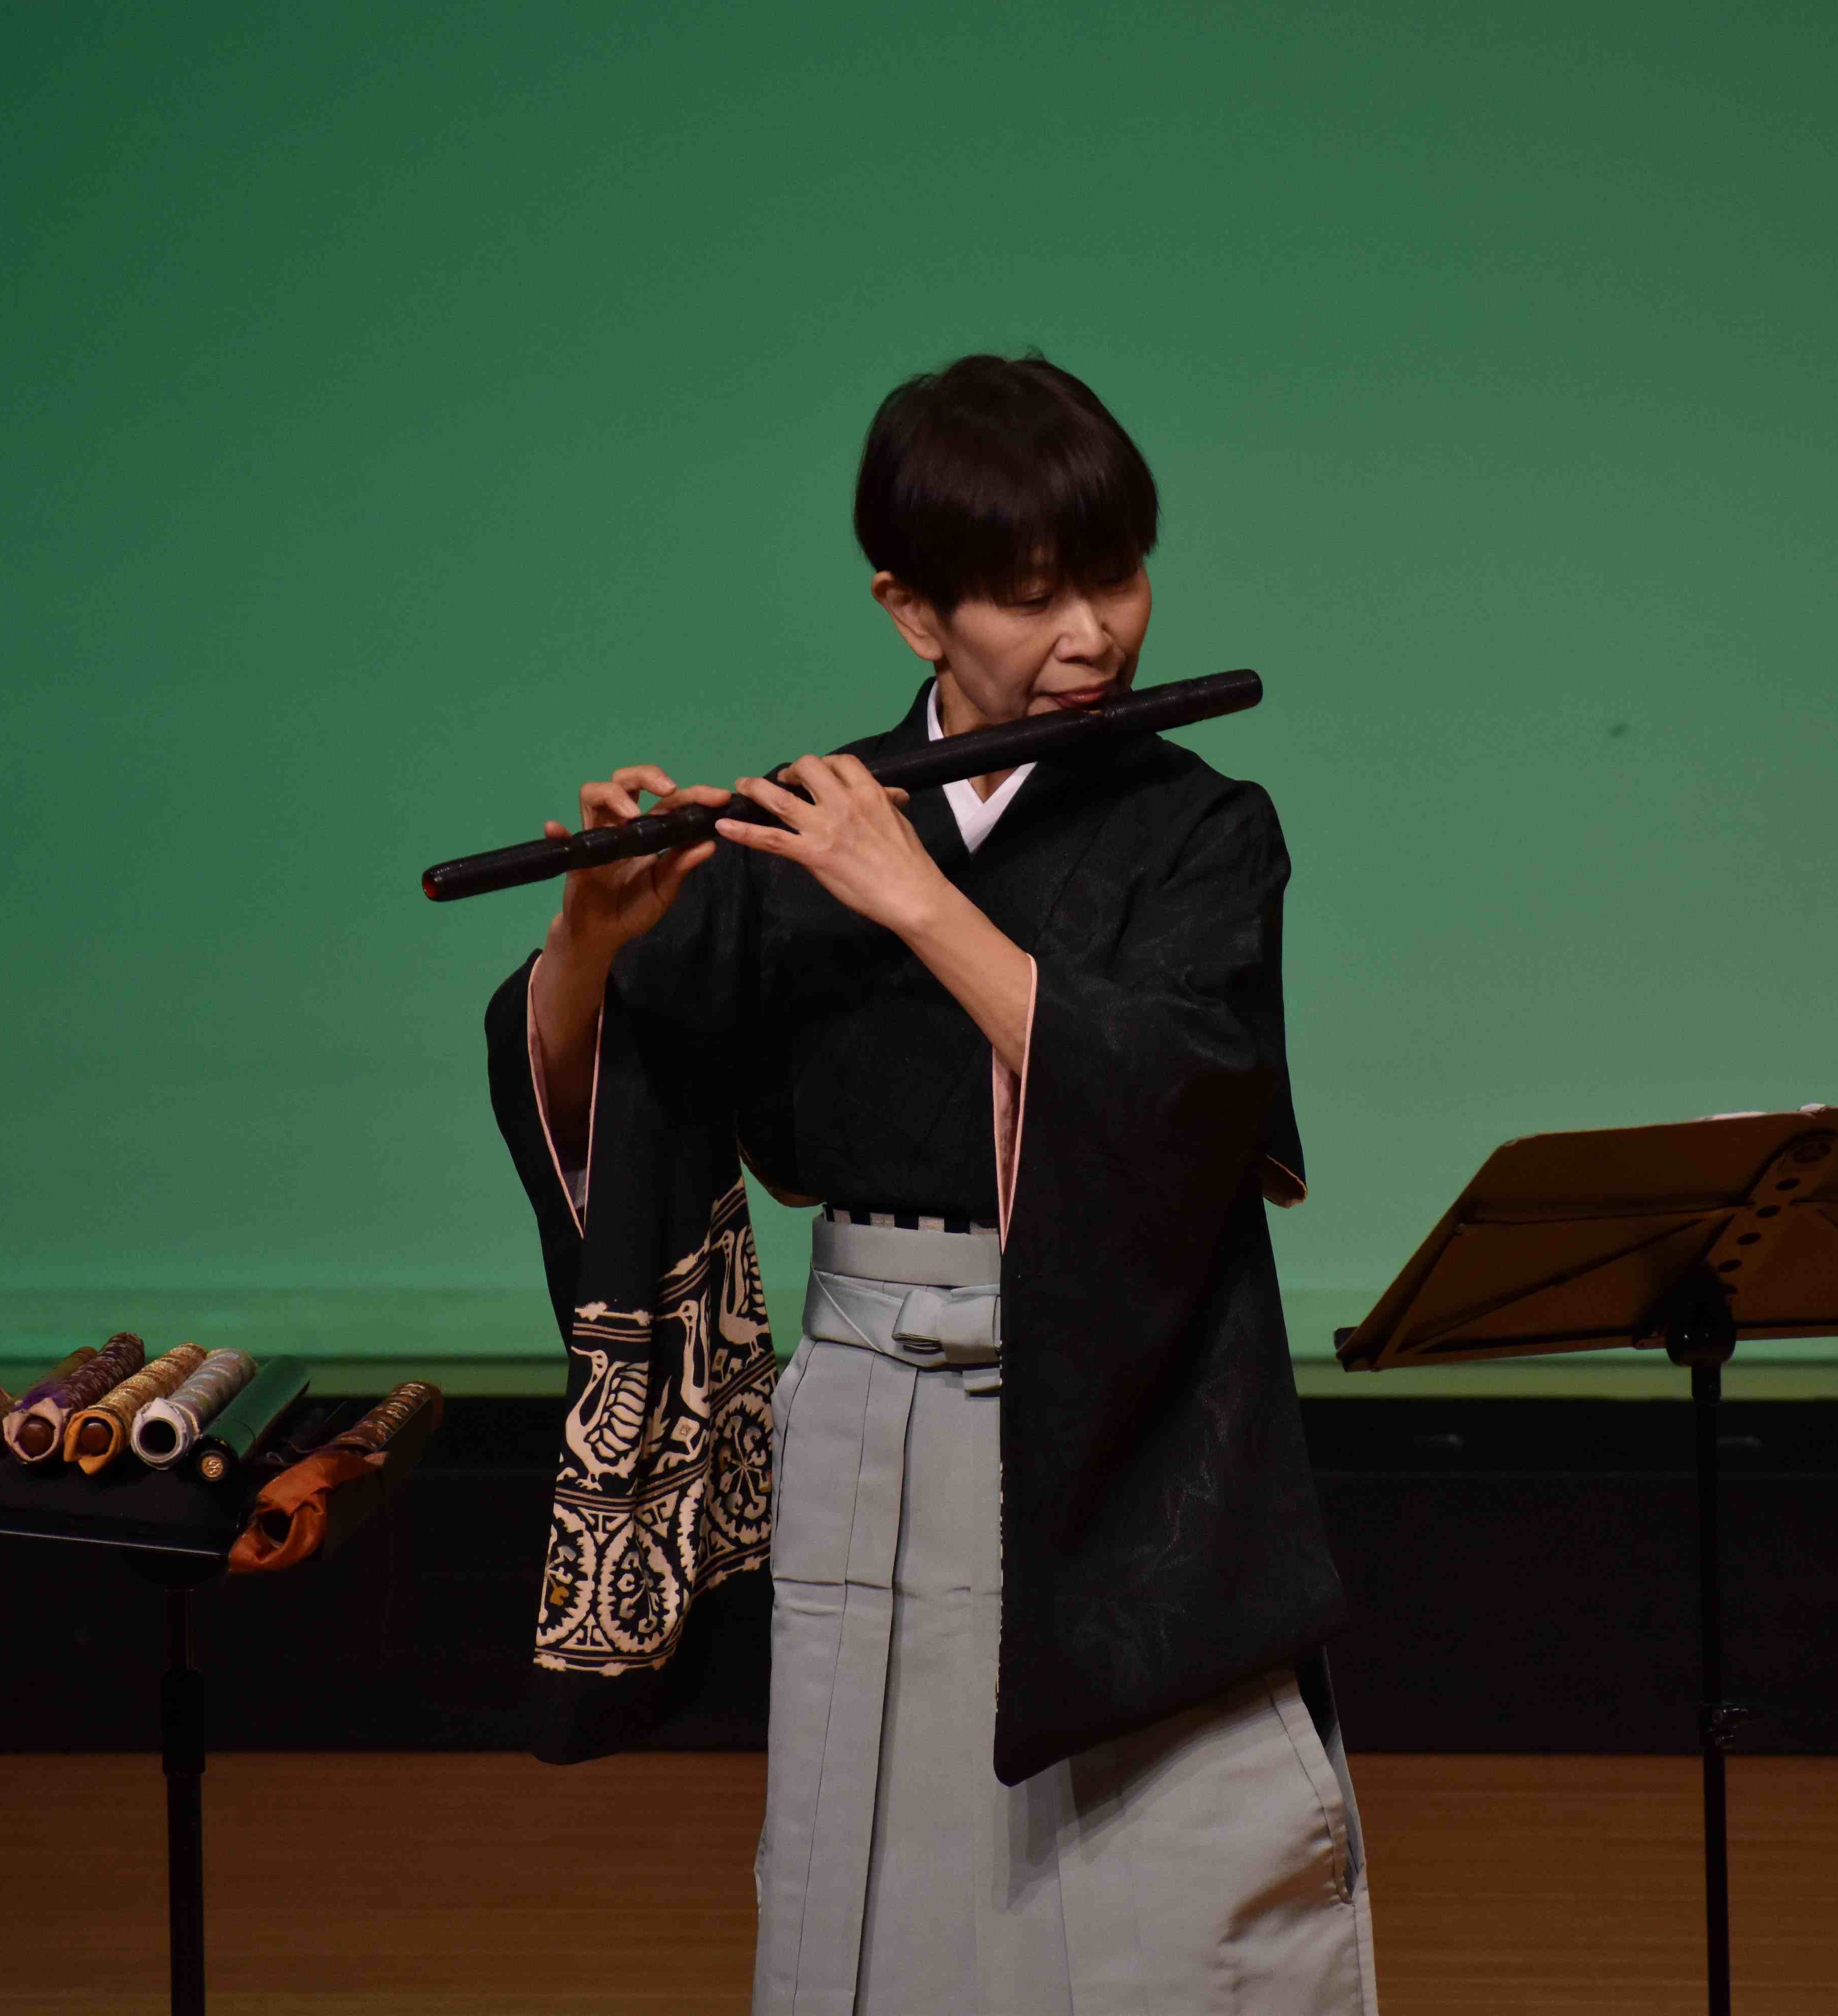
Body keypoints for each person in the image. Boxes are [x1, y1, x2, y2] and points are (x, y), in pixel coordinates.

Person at [483, 353, 1376, 2013]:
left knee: (1165, 1913)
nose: (1093, 635)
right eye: (1033, 598)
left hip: (1124, 1429)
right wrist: (588, 942)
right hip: (871, 1423)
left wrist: (917, 901)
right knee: (878, 1891)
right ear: (913, 613)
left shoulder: (1203, 831)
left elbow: (1189, 1102)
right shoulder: (803, 832)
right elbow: (629, 1111)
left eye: (1117, 576)